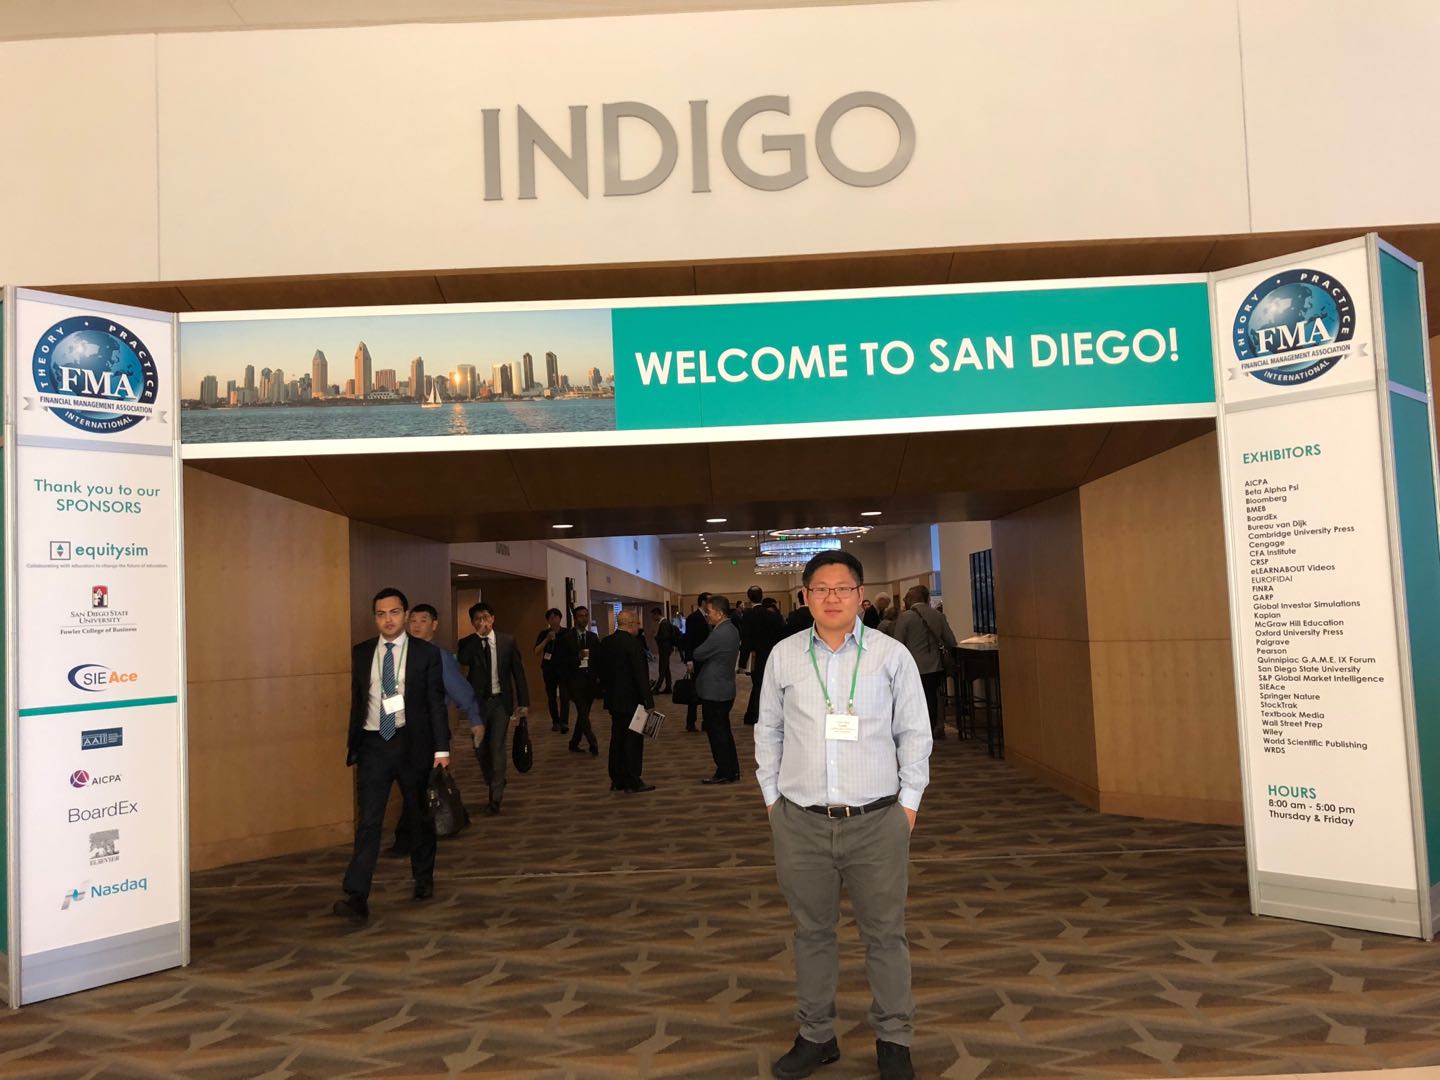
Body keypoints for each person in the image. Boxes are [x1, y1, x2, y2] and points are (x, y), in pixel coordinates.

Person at [755, 550, 931, 1080]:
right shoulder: (784, 656)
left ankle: (894, 1040)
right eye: (821, 589)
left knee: (885, 935)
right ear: (805, 596)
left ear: (860, 596)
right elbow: (768, 731)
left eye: (843, 588)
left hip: (878, 821)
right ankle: (816, 1035)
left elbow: (914, 734)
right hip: (800, 821)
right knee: (811, 933)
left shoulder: (891, 655)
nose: (832, 598)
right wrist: (773, 802)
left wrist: (908, 806)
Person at [333, 588, 449, 921]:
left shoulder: (426, 654)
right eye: (381, 614)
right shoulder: (361, 653)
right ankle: (357, 894)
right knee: (369, 821)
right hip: (374, 745)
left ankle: (423, 877)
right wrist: (355, 743)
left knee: (418, 815)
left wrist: (441, 748)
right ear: (375, 618)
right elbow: (360, 700)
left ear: (405, 615)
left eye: (394, 612)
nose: (388, 620)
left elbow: (435, 703)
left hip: (412, 744)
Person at [387, 603, 483, 857]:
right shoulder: (399, 654)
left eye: (423, 620)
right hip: (403, 731)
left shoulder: (439, 656)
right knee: (417, 785)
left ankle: (407, 838)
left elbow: (460, 691)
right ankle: (453, 817)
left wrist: (475, 719)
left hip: (431, 733)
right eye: (413, 621)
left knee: (419, 786)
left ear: (434, 625)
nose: (417, 625)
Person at [457, 601, 529, 814]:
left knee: (497, 747)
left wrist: (523, 702)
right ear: (472, 622)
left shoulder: (507, 641)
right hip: (478, 704)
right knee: (480, 748)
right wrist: (477, 637)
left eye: (486, 617)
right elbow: (464, 660)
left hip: (500, 702)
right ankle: (495, 778)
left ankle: (495, 797)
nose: (483, 622)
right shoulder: (467, 642)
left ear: (493, 619)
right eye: (478, 619)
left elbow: (518, 672)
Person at [597, 609, 654, 793]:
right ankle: (633, 780)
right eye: (637, 623)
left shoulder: (606, 642)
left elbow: (601, 671)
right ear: (630, 624)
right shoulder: (634, 644)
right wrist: (648, 702)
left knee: (617, 739)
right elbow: (640, 675)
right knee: (633, 741)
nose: (639, 626)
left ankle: (617, 778)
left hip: (614, 699)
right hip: (633, 701)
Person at [892, 584, 957, 741]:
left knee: (913, 699)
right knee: (932, 697)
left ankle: (916, 730)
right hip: (934, 666)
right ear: (927, 598)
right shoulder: (938, 616)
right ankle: (933, 727)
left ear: (911, 599)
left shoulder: (905, 617)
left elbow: (897, 644)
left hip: (912, 667)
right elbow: (951, 641)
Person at [689, 593, 741, 783]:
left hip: (715, 690)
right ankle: (731, 770)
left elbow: (698, 653)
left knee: (717, 734)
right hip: (724, 686)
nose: (707, 614)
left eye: (709, 611)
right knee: (724, 732)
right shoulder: (731, 629)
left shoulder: (720, 633)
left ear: (719, 613)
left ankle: (725, 772)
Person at [555, 605, 602, 756]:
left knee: (584, 714)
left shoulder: (593, 637)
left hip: (590, 682)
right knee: (582, 711)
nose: (584, 619)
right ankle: (592, 741)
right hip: (574, 682)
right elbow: (560, 662)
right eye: (581, 616)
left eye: (586, 615)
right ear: (575, 618)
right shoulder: (566, 638)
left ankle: (574, 742)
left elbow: (598, 660)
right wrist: (577, 658)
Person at [741, 585, 785, 726]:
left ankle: (753, 714)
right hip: (770, 654)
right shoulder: (772, 615)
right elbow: (780, 635)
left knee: (757, 684)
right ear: (762, 596)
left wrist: (742, 662)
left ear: (749, 598)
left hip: (755, 656)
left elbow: (746, 639)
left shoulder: (748, 615)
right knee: (767, 685)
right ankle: (760, 713)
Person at [681, 592, 711, 732]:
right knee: (694, 691)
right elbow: (689, 640)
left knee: (707, 691)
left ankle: (706, 722)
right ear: (703, 602)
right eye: (710, 601)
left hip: (707, 660)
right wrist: (689, 660)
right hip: (696, 660)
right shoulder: (693, 618)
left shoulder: (710, 617)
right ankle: (690, 722)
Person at [534, 608, 567, 733]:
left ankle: (564, 722)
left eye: (556, 617)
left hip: (564, 669)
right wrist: (547, 639)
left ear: (560, 618)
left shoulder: (567, 633)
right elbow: (536, 651)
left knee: (564, 696)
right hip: (549, 669)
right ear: (548, 620)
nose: (554, 620)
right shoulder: (544, 634)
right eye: (551, 618)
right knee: (551, 697)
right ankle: (555, 722)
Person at [652, 606, 678, 693]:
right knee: (666, 669)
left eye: (653, 616)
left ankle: (657, 688)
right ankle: (668, 687)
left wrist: (656, 637)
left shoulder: (664, 624)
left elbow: (665, 637)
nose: (653, 618)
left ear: (657, 615)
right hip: (666, 649)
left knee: (662, 669)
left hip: (665, 649)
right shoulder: (665, 622)